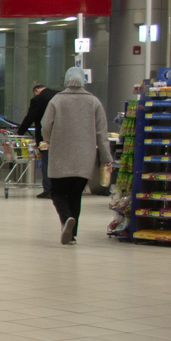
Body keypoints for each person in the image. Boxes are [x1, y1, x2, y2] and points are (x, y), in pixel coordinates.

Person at [41, 66, 110, 245]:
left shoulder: (57, 100)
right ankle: (71, 235)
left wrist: (48, 140)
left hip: (60, 155)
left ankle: (66, 219)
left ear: (66, 80)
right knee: (75, 195)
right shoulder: (94, 101)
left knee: (56, 192)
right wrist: (106, 158)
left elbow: (45, 125)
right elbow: (102, 133)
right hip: (84, 158)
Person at [18, 82, 57, 199]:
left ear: (37, 91)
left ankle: (48, 190)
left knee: (47, 161)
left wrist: (20, 132)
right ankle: (60, 189)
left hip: (45, 137)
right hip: (61, 136)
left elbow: (30, 117)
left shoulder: (38, 99)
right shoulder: (59, 95)